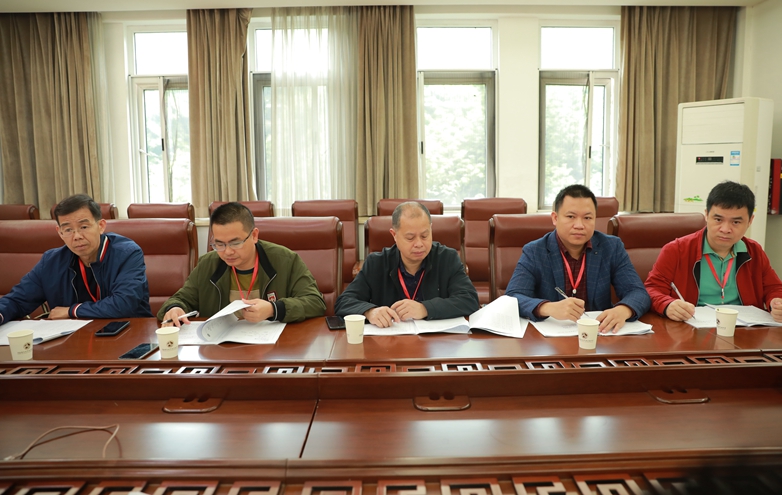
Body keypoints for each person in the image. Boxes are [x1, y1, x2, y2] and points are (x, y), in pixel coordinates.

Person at [505, 184, 650, 333]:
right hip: (550, 338)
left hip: (600, 335)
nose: (579, 225)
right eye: (571, 217)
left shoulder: (611, 247)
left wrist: (623, 310)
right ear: (555, 218)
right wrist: (548, 307)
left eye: (587, 218)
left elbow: (638, 292)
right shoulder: (535, 251)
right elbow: (512, 298)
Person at [646, 181, 782, 322]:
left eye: (736, 222)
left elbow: (775, 288)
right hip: (691, 328)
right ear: (706, 215)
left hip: (744, 330)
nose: (725, 229)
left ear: (750, 221)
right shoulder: (677, 250)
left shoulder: (754, 251)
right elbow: (652, 289)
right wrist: (667, 304)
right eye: (718, 220)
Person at [159, 202, 326, 326]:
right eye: (219, 244)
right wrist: (174, 308)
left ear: (254, 236)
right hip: (221, 349)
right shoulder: (208, 265)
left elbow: (315, 302)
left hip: (274, 348)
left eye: (235, 243)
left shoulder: (286, 260)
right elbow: (180, 299)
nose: (227, 252)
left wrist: (273, 309)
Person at [0, 194, 152, 324]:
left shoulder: (127, 253)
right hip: (72, 339)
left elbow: (123, 304)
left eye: (84, 227)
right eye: (68, 230)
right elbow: (17, 300)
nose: (77, 236)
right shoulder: (51, 261)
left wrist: (71, 311)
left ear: (101, 226)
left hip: (127, 332)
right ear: (60, 233)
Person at [334, 201, 479, 327]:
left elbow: (470, 300)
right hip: (390, 343)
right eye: (410, 238)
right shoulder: (376, 263)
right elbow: (344, 302)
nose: (419, 244)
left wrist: (425, 308)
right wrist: (369, 311)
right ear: (394, 235)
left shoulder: (447, 258)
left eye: (425, 235)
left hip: (435, 344)